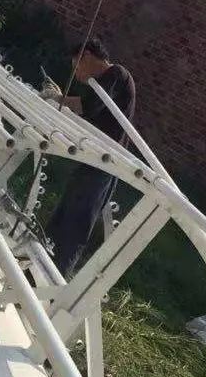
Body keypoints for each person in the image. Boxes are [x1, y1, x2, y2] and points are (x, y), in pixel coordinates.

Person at [40, 36, 137, 277]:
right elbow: (91, 114)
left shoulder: (116, 74)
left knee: (76, 223)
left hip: (104, 163)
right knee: (64, 215)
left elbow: (90, 105)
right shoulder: (108, 82)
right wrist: (60, 99)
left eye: (76, 65)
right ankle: (40, 266)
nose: (77, 73)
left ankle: (56, 278)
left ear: (87, 56)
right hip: (93, 159)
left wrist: (57, 99)